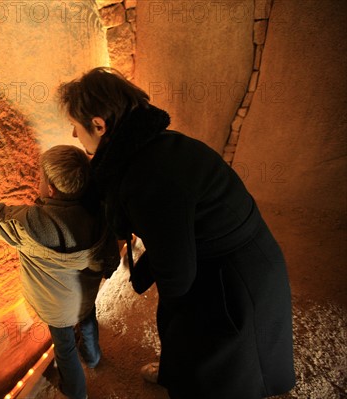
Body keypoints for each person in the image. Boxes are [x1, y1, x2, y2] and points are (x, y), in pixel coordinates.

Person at [57, 67, 295, 399]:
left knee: (216, 358)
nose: (73, 135)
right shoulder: (151, 144)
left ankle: (185, 376)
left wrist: (179, 321)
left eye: (75, 126)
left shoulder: (149, 178)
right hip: (224, 253)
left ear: (99, 125)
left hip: (234, 274)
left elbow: (178, 277)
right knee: (180, 332)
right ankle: (175, 368)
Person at [0, 145, 120, 399]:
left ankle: (76, 392)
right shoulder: (100, 211)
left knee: (65, 348)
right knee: (88, 320)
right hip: (85, 296)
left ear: (50, 189)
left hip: (55, 309)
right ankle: (93, 358)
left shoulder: (29, 223)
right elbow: (110, 258)